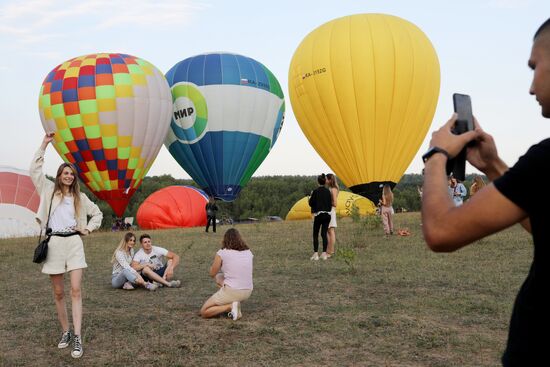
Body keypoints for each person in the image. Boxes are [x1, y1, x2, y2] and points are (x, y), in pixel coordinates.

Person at [421, 18, 550, 366]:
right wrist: (493, 166)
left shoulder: (546, 160)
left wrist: (436, 155)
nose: (530, 87)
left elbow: (441, 232)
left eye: (535, 67)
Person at [30, 132, 103, 359]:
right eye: (65, 173)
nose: (68, 177)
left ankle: (78, 337)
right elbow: (34, 170)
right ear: (59, 175)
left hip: (73, 243)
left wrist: (88, 228)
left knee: (75, 290)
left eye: (72, 174)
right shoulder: (48, 190)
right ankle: (66, 332)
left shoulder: (80, 198)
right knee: (59, 293)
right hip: (53, 245)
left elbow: (97, 213)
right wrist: (44, 144)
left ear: (75, 177)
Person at [200, 228, 253, 320]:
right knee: (219, 276)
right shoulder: (248, 252)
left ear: (224, 240)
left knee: (204, 312)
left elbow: (212, 273)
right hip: (248, 291)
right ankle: (234, 305)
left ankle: (230, 306)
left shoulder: (222, 253)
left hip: (233, 291)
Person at [308, 174, 332, 260]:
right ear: (325, 182)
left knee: (315, 234)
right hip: (327, 215)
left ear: (318, 182)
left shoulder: (315, 191)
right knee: (324, 234)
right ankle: (324, 254)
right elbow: (330, 204)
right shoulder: (328, 191)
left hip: (318, 215)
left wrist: (310, 197)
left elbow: (311, 203)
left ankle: (315, 254)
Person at [326, 173, 339, 257]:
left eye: (326, 179)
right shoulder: (331, 188)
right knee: (328, 230)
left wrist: (326, 202)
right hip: (329, 211)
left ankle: (331, 251)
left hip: (331, 211)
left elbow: (335, 203)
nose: (325, 181)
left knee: (331, 231)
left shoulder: (333, 189)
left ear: (330, 180)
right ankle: (329, 250)